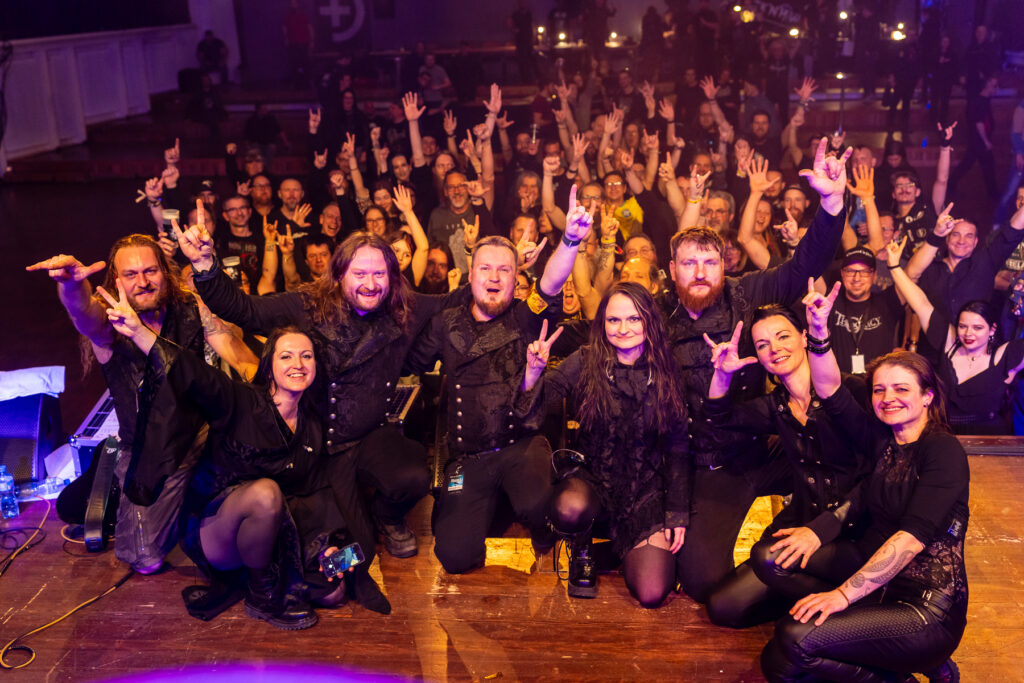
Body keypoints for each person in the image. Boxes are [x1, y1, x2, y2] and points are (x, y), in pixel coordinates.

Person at [180, 227, 465, 561]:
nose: (370, 284)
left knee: (413, 475)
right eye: (360, 274)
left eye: (379, 274)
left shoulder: (406, 307)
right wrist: (204, 264)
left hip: (366, 435)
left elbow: (453, 301)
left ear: (393, 276)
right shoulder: (306, 304)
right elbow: (245, 310)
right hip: (312, 444)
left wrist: (504, 268)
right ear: (339, 274)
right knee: (356, 551)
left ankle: (387, 515)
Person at [670, 139, 852, 604]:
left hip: (757, 448)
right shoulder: (653, 314)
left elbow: (806, 264)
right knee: (701, 583)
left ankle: (847, 558)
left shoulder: (747, 293)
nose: (700, 272)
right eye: (689, 263)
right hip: (702, 462)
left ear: (723, 265)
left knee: (840, 462)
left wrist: (831, 204)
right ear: (672, 271)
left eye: (709, 262)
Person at [761, 288, 969, 683]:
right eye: (879, 389)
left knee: (794, 641)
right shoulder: (883, 440)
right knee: (777, 658)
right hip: (877, 584)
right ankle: (884, 657)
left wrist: (840, 596)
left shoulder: (942, 451)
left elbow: (909, 541)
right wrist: (819, 335)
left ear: (927, 396)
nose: (888, 398)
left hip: (924, 608)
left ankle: (915, 671)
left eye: (901, 389)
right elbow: (832, 392)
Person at [25, 228, 256, 573]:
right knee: (144, 560)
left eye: (150, 271)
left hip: (200, 433)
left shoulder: (190, 307)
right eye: (131, 274)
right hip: (153, 453)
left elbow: (243, 359)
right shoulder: (109, 324)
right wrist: (72, 285)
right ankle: (123, 472)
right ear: (117, 280)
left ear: (165, 271)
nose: (143, 282)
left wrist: (267, 405)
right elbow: (82, 312)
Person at [405, 189, 594, 575]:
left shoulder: (526, 317)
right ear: (470, 274)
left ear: (516, 276)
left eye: (504, 269)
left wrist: (571, 240)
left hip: (519, 447)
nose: (494, 277)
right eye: (485, 268)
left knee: (539, 507)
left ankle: (537, 521)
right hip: (468, 458)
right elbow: (411, 362)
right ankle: (487, 510)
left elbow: (553, 284)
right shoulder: (445, 323)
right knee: (454, 558)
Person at [518, 282, 689, 607]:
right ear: (602, 324)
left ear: (649, 321)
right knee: (569, 508)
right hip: (592, 477)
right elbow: (540, 404)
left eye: (634, 319)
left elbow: (679, 445)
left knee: (653, 593)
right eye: (614, 320)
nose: (624, 329)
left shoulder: (667, 368)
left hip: (645, 487)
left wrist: (676, 511)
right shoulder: (586, 359)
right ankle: (581, 547)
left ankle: (618, 549)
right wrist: (533, 373)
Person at [702, 301, 868, 629]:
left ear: (804, 337)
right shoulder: (777, 405)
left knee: (770, 563)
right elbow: (718, 422)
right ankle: (803, 598)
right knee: (724, 607)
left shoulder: (851, 390)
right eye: (763, 344)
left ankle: (849, 607)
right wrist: (721, 376)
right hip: (800, 524)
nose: (774, 348)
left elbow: (878, 476)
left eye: (783, 337)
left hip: (852, 531)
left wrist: (821, 529)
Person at [889, 236, 1024, 434]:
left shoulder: (1004, 356)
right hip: (946, 437)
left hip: (992, 443)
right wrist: (894, 266)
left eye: (978, 328)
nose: (968, 333)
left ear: (992, 329)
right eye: (963, 326)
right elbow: (920, 302)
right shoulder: (948, 342)